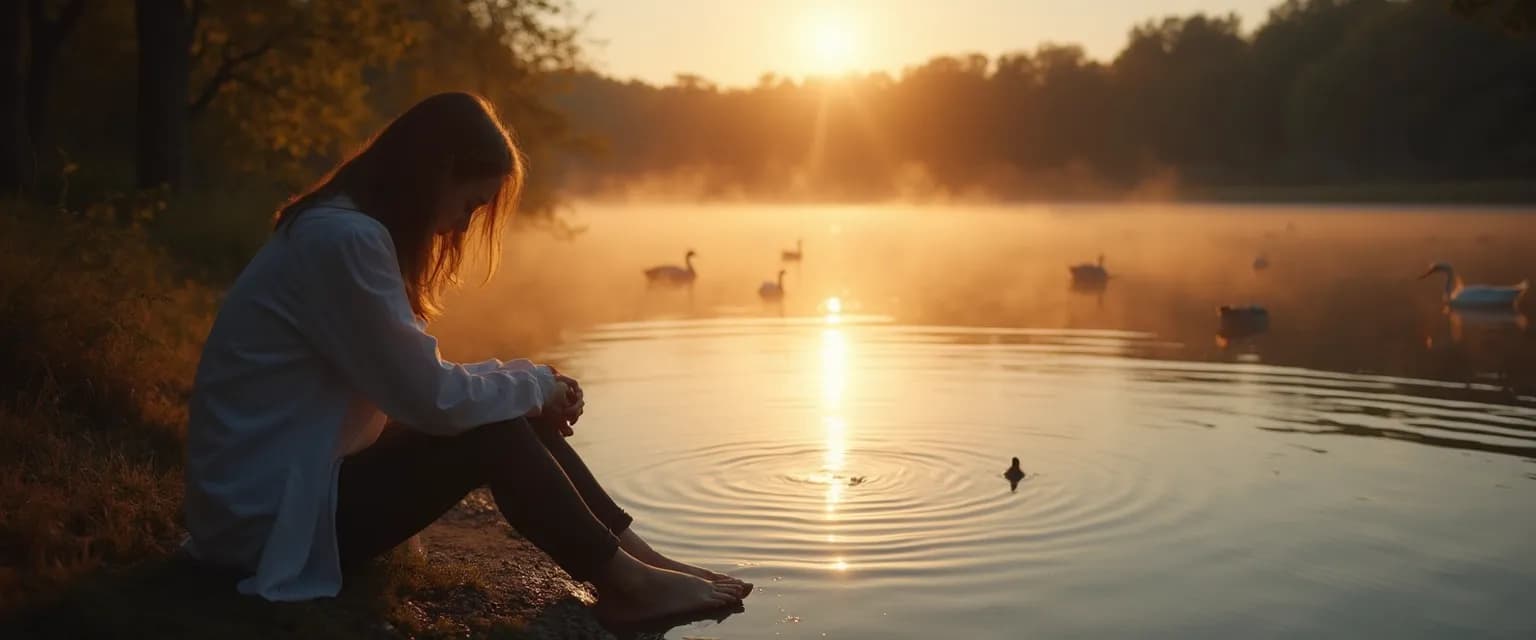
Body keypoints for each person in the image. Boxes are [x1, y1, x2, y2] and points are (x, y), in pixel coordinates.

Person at [181, 92, 750, 622]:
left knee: (504, 413)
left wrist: (529, 385)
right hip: (266, 524)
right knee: (491, 429)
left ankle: (638, 559)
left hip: (282, 493)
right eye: (472, 203)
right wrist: (530, 389)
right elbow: (430, 399)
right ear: (436, 173)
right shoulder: (344, 240)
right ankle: (628, 586)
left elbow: (414, 387)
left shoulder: (342, 230)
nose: (463, 224)